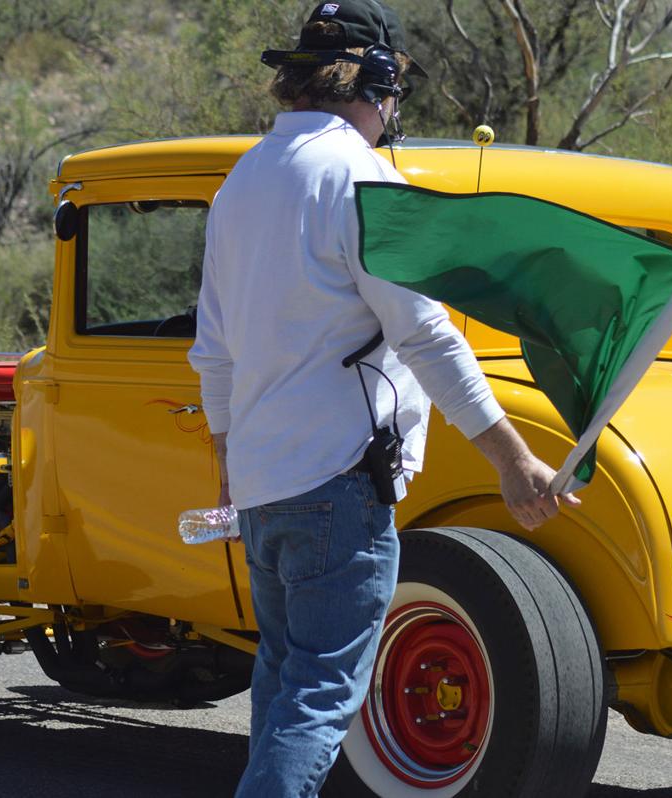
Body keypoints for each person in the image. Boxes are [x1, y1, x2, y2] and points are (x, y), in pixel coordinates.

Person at [187, 2, 579, 794]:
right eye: (393, 92)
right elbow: (428, 338)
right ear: (379, 80)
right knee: (321, 693)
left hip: (264, 488)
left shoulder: (243, 179)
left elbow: (214, 352)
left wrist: (230, 466)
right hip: (337, 487)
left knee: (285, 681)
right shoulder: (363, 178)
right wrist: (513, 460)